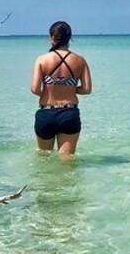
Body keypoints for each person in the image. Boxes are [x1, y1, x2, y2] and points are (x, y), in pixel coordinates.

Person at [30, 21, 92, 156]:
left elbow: (35, 88)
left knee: (43, 157)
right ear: (69, 38)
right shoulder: (80, 60)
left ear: (52, 37)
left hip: (46, 113)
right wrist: (69, 88)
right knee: (67, 159)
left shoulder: (42, 59)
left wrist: (50, 90)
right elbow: (87, 89)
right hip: (69, 113)